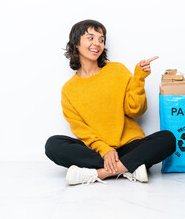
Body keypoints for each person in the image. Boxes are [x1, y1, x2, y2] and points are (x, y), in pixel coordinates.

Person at [45, 19, 176, 185]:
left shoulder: (117, 70)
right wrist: (105, 149)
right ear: (76, 43)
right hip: (97, 150)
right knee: (53, 144)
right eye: (90, 38)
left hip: (129, 146)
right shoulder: (69, 89)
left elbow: (135, 111)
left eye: (101, 40)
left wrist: (139, 79)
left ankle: (98, 173)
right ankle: (130, 167)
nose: (97, 44)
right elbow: (80, 129)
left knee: (168, 138)